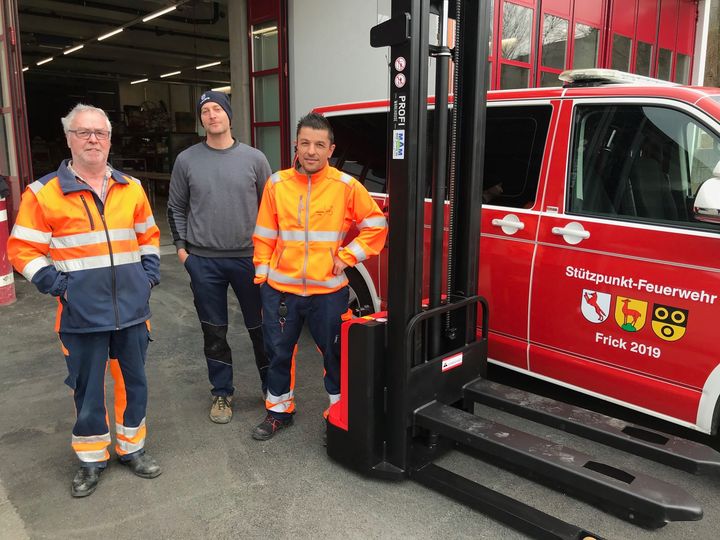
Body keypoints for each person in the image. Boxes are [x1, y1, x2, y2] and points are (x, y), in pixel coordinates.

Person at [7, 103, 162, 497]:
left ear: (109, 139)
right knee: (87, 390)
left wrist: (147, 277)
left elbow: (148, 236)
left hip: (132, 311)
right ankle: (92, 458)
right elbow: (22, 249)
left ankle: (132, 448)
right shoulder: (44, 193)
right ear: (69, 139)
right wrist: (59, 286)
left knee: (134, 385)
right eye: (83, 132)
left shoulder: (131, 188)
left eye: (100, 133)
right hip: (80, 315)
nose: (93, 139)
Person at [251, 112, 388, 440]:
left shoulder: (345, 186)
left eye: (319, 145)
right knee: (278, 352)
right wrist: (263, 276)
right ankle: (278, 411)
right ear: (296, 145)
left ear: (331, 149)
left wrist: (347, 256)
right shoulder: (277, 184)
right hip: (280, 291)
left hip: (328, 292)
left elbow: (376, 226)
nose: (311, 151)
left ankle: (338, 416)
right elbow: (265, 233)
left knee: (335, 355)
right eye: (305, 143)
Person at [167, 91, 272, 424]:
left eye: (217, 109)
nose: (212, 115)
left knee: (261, 328)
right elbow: (176, 207)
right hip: (204, 261)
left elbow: (270, 209)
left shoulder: (255, 159)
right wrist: (182, 251)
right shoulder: (187, 160)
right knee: (214, 332)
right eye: (205, 111)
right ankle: (222, 393)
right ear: (201, 119)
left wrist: (269, 254)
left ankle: (272, 389)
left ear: (229, 115)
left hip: (249, 259)